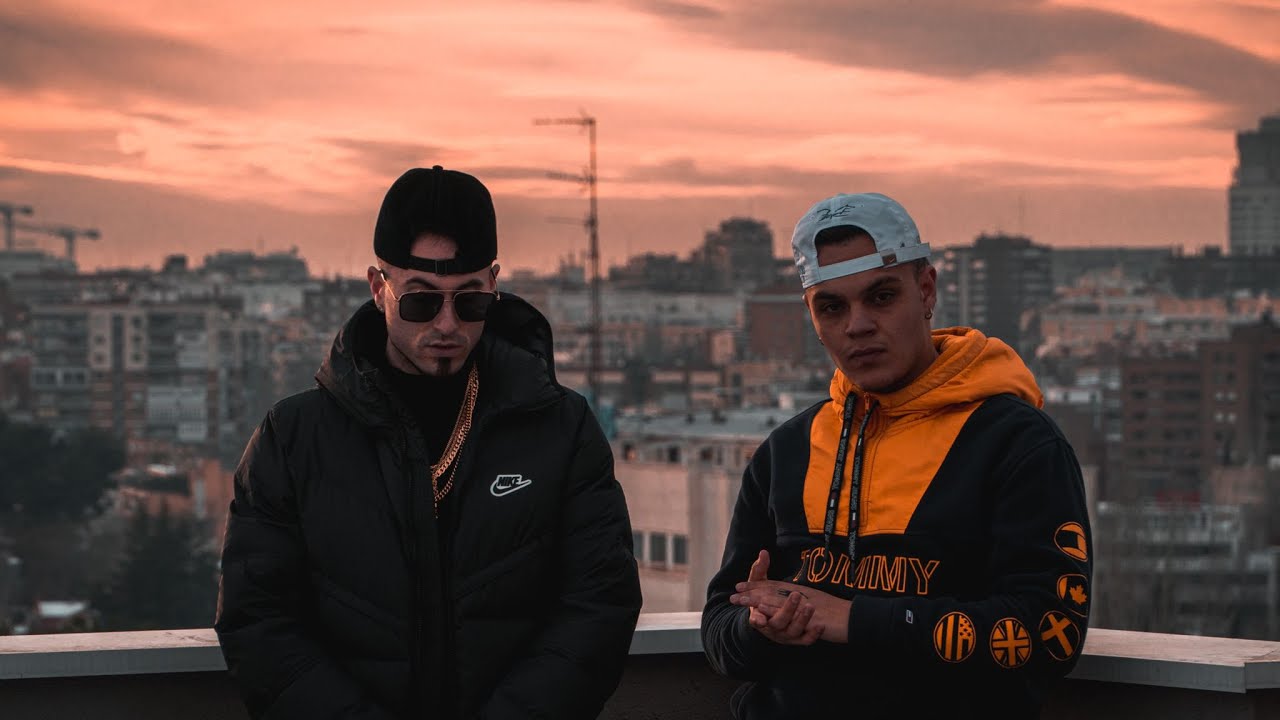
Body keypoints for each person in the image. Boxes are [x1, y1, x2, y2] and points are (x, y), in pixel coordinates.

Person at [215, 166, 642, 719]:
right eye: (421, 300)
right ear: (379, 288)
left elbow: (599, 604)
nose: (446, 324)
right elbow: (258, 619)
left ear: (494, 286)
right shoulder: (294, 438)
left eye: (470, 302)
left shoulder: (561, 428)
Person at [701, 193, 1092, 719]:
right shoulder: (787, 450)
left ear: (926, 290)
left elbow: (1049, 635)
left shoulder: (1016, 444)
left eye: (881, 297)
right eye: (831, 307)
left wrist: (854, 621)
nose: (857, 325)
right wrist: (758, 628)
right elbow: (719, 630)